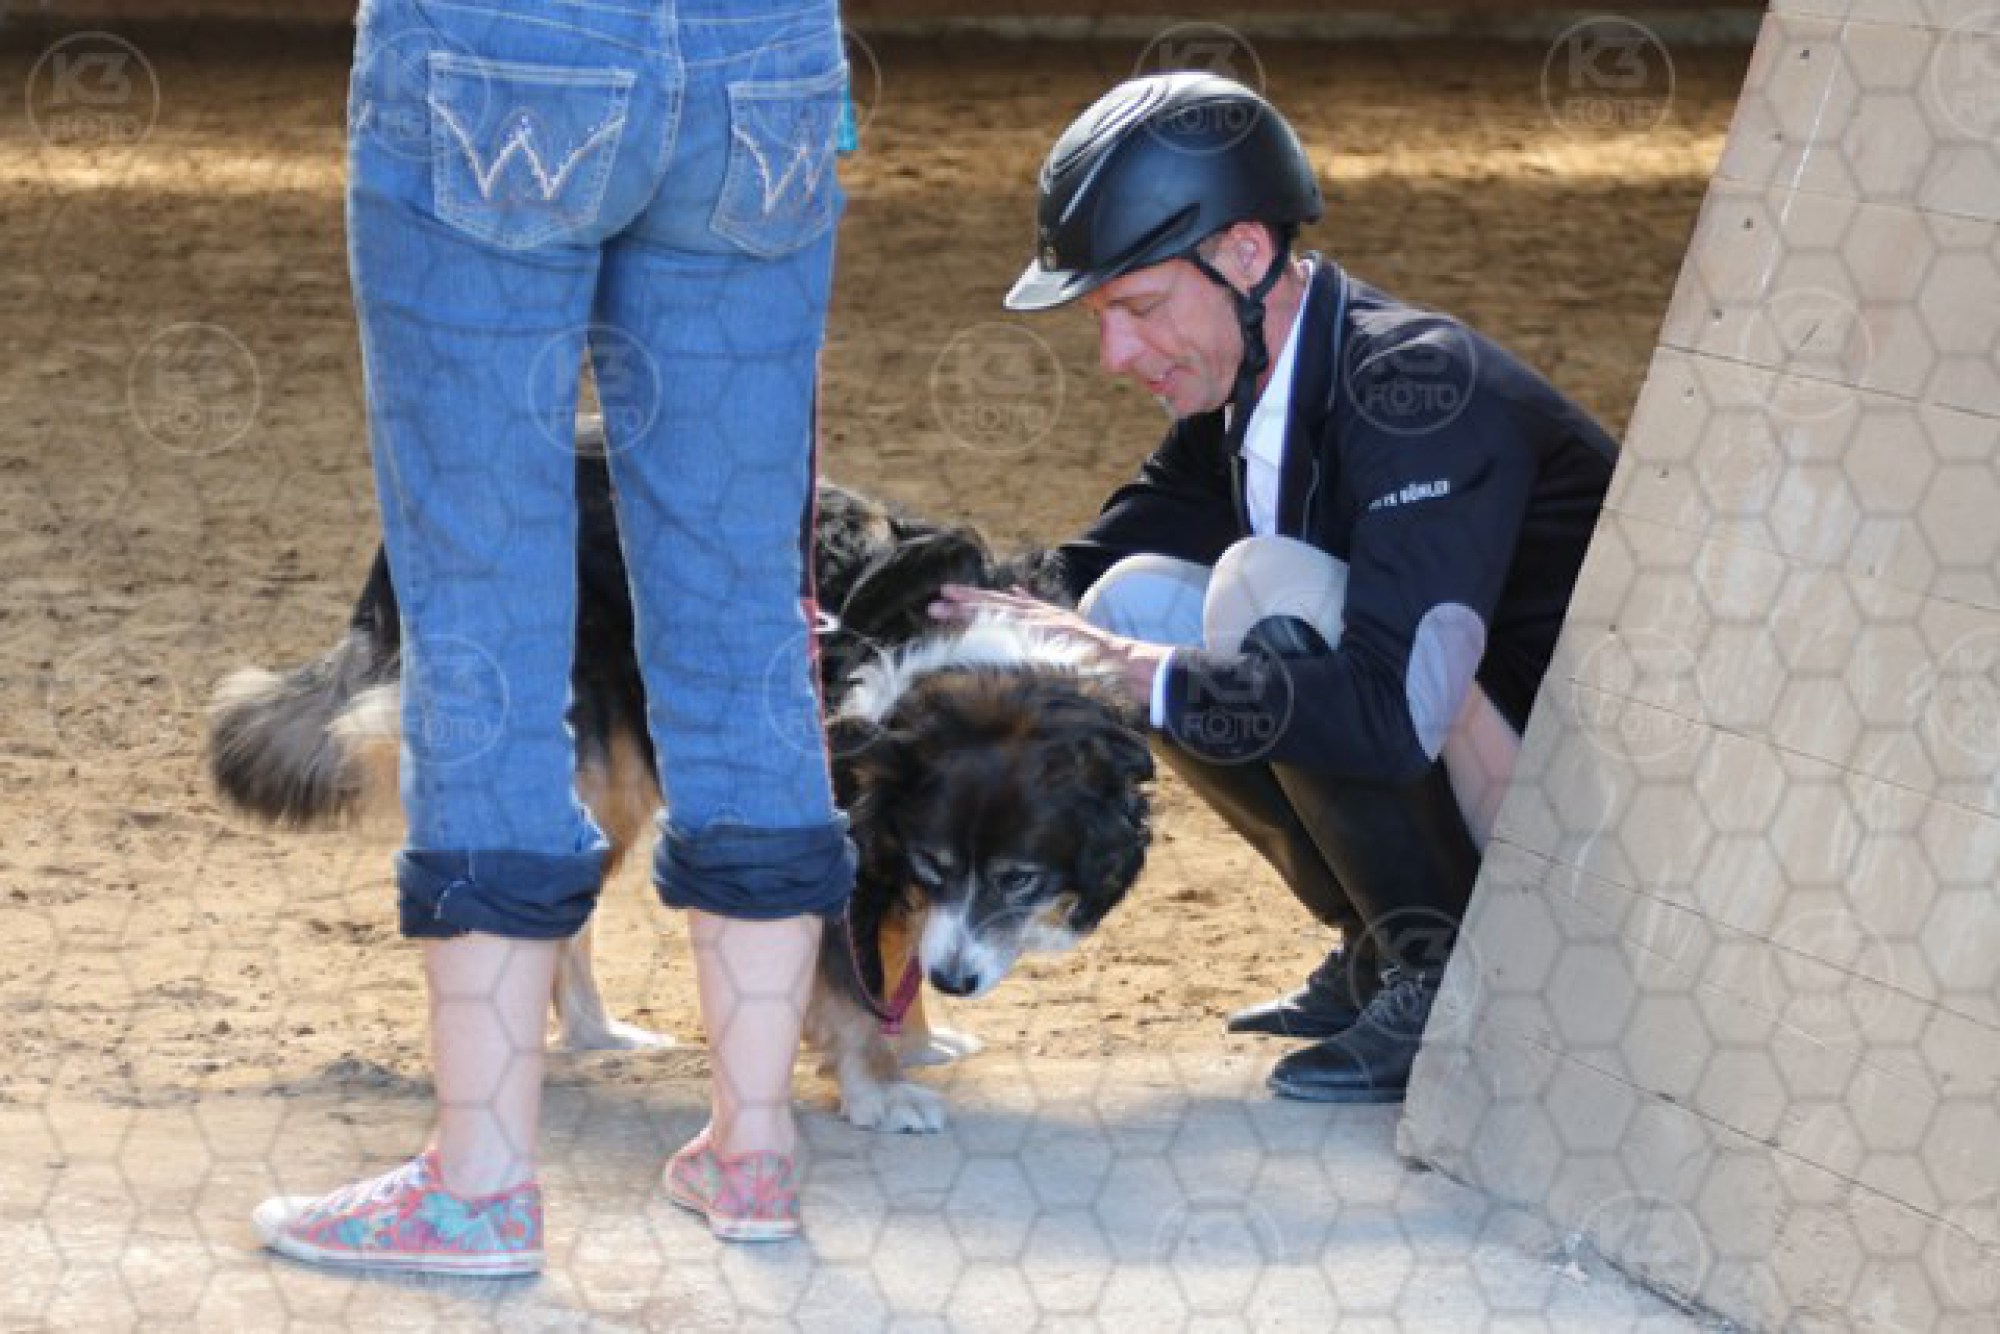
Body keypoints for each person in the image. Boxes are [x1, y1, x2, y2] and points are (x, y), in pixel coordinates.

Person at [253, 0, 855, 1270]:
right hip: (764, 55)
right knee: (741, 612)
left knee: (483, 615)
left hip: (501, 44)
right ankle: (752, 1154)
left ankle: (477, 1184)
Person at [935, 72, 1616, 1104]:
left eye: (1139, 307)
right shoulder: (1244, 395)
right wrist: (906, 613)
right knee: (1124, 606)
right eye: (1103, 318)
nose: (1115, 354)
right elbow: (1068, 580)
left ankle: (1444, 981)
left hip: (1588, 835)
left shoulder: (1415, 386)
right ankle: (1377, 940)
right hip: (1485, 777)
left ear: (1245, 254)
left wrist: (1146, 675)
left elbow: (1391, 713)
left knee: (1260, 594)